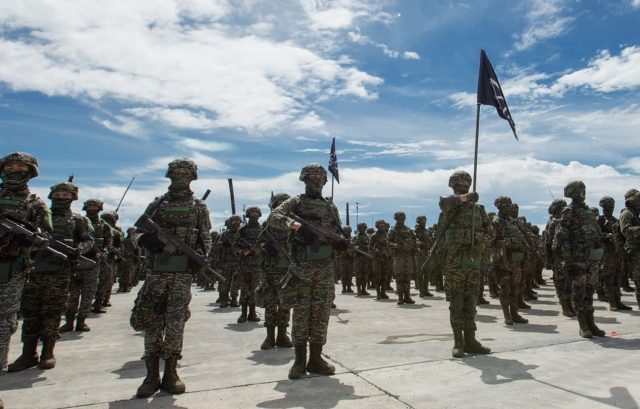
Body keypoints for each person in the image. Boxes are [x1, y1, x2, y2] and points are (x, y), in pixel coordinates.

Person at [133, 158, 212, 397]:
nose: (181, 175)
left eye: (186, 172)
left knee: (176, 321)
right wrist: (146, 241)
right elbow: (135, 232)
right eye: (177, 171)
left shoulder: (199, 207)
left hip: (181, 275)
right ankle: (151, 374)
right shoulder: (158, 204)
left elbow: (205, 238)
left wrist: (200, 257)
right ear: (170, 174)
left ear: (193, 176)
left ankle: (171, 372)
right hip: (156, 272)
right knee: (152, 319)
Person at [9, 180, 93, 371]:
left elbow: (88, 241)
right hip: (34, 270)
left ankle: (48, 352)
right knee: (30, 312)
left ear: (73, 198)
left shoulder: (78, 220)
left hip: (60, 273)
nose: (61, 198)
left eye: (66, 195)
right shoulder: (37, 215)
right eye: (58, 194)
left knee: (52, 312)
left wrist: (76, 251)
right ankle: (28, 354)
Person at [269, 163, 342, 380]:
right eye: (311, 178)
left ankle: (316, 359)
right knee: (301, 313)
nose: (315, 182)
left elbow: (336, 231)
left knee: (321, 314)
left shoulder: (330, 207)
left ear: (324, 182)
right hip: (302, 268)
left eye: (319, 179)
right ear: (304, 180)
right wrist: (295, 226)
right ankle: (300, 360)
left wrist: (340, 244)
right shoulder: (296, 202)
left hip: (325, 268)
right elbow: (274, 217)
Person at [0, 152, 52, 400]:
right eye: (10, 166)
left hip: (12, 272)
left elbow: (45, 240)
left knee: (3, 327)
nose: (14, 170)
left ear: (30, 172)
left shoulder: (35, 204)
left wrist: (28, 241)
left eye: (20, 167)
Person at [438, 170, 493, 358]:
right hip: (455, 261)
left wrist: (481, 245)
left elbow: (490, 231)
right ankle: (458, 342)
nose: (463, 185)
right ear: (453, 185)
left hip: (473, 260)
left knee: (471, 301)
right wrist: (463, 198)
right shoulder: (450, 206)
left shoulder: (479, 209)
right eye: (459, 183)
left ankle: (471, 340)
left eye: (466, 183)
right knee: (457, 300)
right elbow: (445, 202)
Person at [553, 181, 605, 338]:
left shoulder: (588, 211)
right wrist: (568, 259)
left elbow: (596, 231)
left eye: (583, 189)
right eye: (578, 190)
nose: (582, 192)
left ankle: (591, 322)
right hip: (577, 258)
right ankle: (583, 325)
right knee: (579, 291)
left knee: (590, 290)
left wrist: (600, 247)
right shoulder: (568, 211)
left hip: (592, 257)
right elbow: (562, 235)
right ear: (570, 193)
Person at [259, 193, 293, 350]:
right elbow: (257, 246)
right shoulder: (267, 227)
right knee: (271, 304)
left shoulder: (293, 225)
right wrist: (268, 249)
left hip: (288, 269)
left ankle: (282, 335)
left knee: (285, 304)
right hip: (270, 270)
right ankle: (270, 336)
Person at [388, 212, 417, 305]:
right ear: (396, 219)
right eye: (400, 218)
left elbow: (414, 240)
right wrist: (394, 245)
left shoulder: (408, 229)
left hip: (408, 255)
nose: (402, 219)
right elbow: (388, 241)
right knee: (399, 277)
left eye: (403, 218)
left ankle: (407, 296)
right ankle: (400, 297)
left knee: (407, 277)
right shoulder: (392, 229)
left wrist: (415, 246)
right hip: (398, 256)